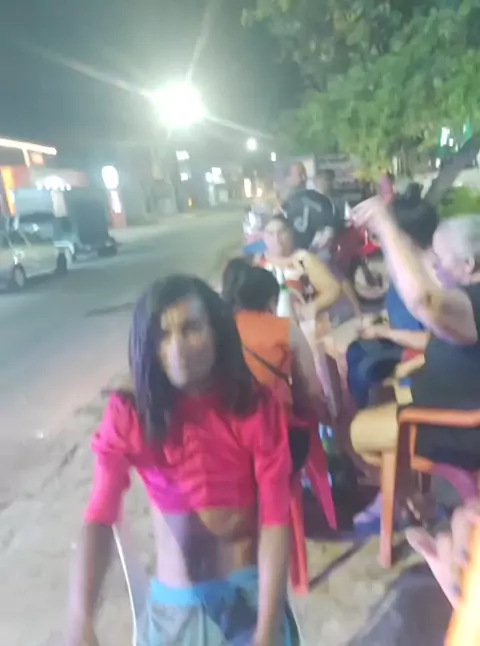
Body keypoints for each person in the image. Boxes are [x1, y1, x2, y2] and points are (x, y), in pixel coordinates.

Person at [66, 275, 300, 646]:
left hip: (249, 599)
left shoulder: (252, 406)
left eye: (191, 329)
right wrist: (80, 620)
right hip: (174, 611)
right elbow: (99, 514)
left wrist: (267, 630)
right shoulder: (132, 412)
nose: (177, 348)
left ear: (217, 331)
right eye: (163, 335)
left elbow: (275, 520)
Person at [350, 204, 480, 521]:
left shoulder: (472, 302)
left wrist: (385, 224)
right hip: (448, 414)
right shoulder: (466, 300)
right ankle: (415, 500)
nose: (434, 265)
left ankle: (405, 501)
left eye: (440, 258)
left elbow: (423, 300)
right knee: (382, 396)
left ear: (469, 264)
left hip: (455, 428)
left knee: (356, 432)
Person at [222, 259, 329, 471]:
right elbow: (311, 389)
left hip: (230, 447)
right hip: (279, 439)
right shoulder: (285, 328)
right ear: (271, 300)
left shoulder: (220, 332)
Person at [346, 194, 436, 410]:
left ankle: (368, 417)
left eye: (382, 233)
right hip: (403, 346)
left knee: (363, 364)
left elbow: (435, 342)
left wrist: (383, 332)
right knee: (356, 351)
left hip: (424, 362)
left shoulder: (430, 277)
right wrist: (380, 319)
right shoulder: (404, 271)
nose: (377, 241)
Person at [257, 214, 342, 324]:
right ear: (263, 236)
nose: (276, 239)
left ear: (291, 234)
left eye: (281, 232)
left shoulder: (303, 259)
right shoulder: (259, 264)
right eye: (270, 233)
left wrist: (314, 306)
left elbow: (333, 289)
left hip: (303, 327)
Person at [282, 162, 337, 251]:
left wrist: (313, 250)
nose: (304, 178)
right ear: (287, 179)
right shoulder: (281, 205)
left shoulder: (321, 201)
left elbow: (327, 231)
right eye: (300, 175)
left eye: (305, 174)